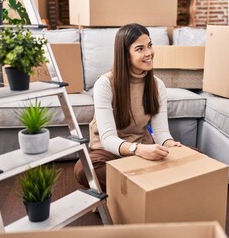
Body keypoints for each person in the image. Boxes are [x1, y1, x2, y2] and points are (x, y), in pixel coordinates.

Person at [74, 23, 182, 191]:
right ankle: (150, 183)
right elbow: (108, 139)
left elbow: (161, 132)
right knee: (84, 169)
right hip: (109, 151)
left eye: (150, 45)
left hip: (143, 147)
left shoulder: (157, 85)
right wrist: (137, 150)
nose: (149, 53)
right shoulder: (105, 84)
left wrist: (170, 145)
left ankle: (137, 185)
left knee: (194, 155)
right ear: (125, 55)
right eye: (140, 49)